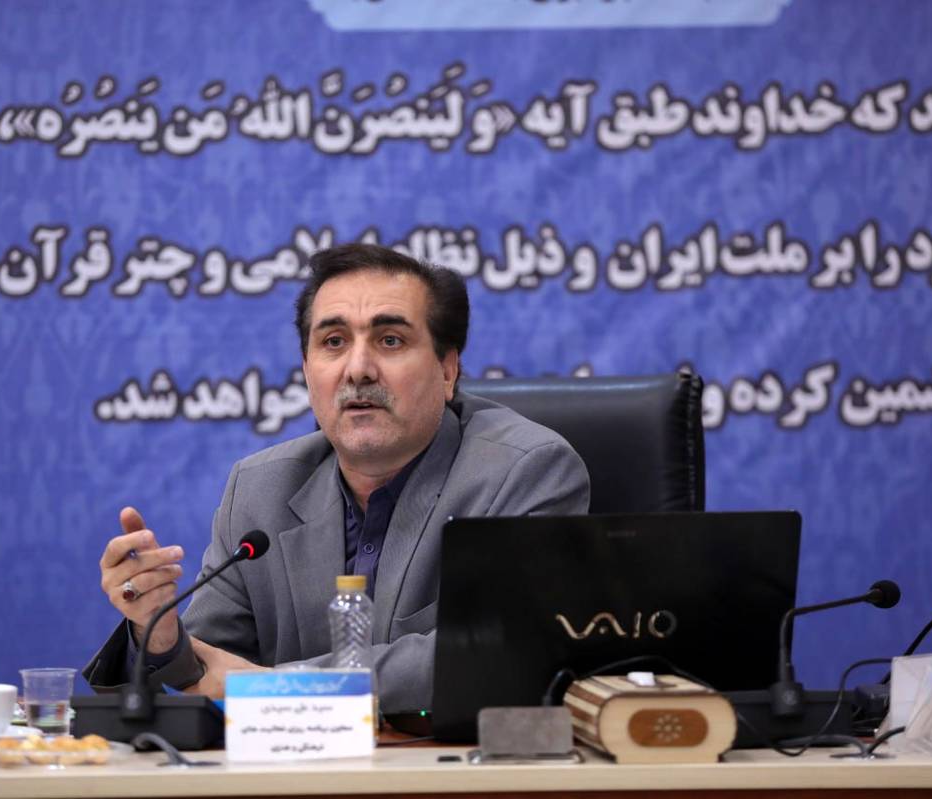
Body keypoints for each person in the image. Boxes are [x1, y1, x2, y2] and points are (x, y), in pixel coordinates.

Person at [84, 243, 590, 712]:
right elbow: (210, 669)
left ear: (447, 370)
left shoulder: (525, 472)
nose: (358, 369)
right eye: (333, 342)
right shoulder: (258, 489)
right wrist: (159, 632)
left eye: (390, 340)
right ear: (308, 372)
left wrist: (280, 686)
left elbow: (502, 650)